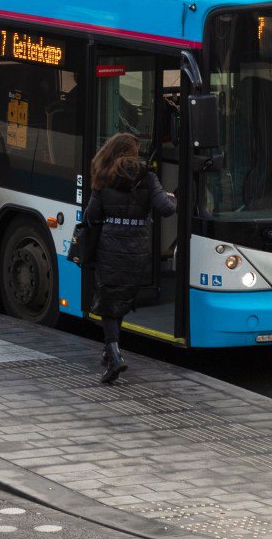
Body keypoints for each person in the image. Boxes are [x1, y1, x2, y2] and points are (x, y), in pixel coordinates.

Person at [83, 132, 176, 384]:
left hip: (109, 245)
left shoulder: (103, 175)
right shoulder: (147, 176)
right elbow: (166, 209)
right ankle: (109, 350)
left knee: (108, 299)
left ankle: (115, 356)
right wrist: (172, 197)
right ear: (133, 153)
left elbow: (91, 215)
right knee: (122, 297)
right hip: (137, 247)